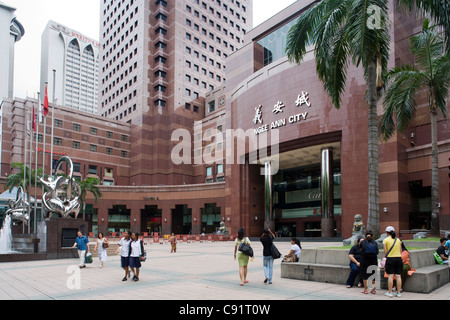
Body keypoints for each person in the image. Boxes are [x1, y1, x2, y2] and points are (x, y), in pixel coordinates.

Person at [383, 226, 403, 298]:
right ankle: (398, 293)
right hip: (399, 259)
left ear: (387, 232)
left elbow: (386, 252)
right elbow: (401, 251)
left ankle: (390, 292)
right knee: (398, 276)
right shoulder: (398, 240)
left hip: (390, 259)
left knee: (390, 276)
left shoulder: (385, 240)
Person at [359, 230, 379, 294]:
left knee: (364, 275)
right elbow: (377, 252)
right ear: (372, 236)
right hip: (373, 260)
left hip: (364, 261)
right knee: (373, 275)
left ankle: (365, 290)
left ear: (365, 235)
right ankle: (373, 290)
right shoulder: (375, 243)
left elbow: (360, 249)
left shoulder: (362, 242)